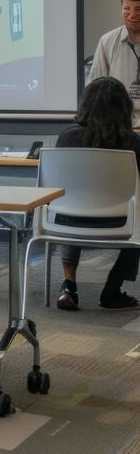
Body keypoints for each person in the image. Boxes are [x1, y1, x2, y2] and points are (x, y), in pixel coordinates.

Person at [53, 76, 140, 311]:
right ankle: (112, 290)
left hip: (68, 222)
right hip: (119, 222)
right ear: (123, 108)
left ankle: (68, 285)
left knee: (69, 203)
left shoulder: (66, 137)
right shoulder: (133, 142)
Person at [88, 0, 140, 128]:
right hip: (118, 127)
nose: (132, 15)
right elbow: (96, 88)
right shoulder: (107, 41)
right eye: (126, 9)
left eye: (138, 9)